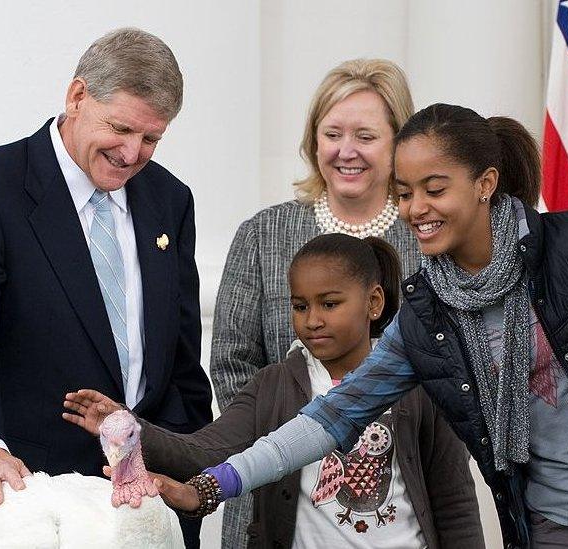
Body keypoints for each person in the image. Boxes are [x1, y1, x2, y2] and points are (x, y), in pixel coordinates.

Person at [143, 104, 568, 549]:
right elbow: (328, 418)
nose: (416, 209)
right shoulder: (427, 317)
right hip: (552, 525)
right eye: (405, 193)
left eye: (435, 189)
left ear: (485, 183)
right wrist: (209, 488)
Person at [0, 27, 212, 547]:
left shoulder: (170, 199)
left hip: (147, 507)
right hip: (28, 502)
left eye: (151, 138)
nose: (131, 153)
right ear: (77, 96)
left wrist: (187, 475)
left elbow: (182, 362)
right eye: (119, 128)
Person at [65, 234, 485, 549]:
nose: (313, 319)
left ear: (373, 303)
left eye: (330, 303)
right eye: (300, 306)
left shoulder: (417, 385)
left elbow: (454, 500)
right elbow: (204, 451)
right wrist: (128, 427)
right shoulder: (274, 384)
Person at [209, 58, 420, 548]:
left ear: (398, 144)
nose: (347, 151)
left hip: (396, 502)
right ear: (313, 142)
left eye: (366, 136)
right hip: (275, 497)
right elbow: (232, 364)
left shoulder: (425, 236)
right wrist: (296, 447)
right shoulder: (263, 233)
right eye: (332, 134)